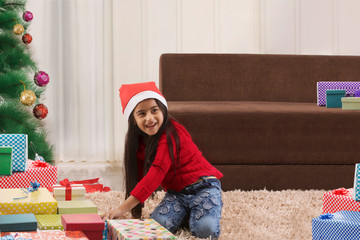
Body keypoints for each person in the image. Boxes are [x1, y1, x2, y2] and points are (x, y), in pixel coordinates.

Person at [101, 81, 223, 239]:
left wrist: (120, 209)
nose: (150, 118)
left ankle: (203, 208)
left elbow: (155, 175)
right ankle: (190, 212)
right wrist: (135, 214)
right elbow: (139, 177)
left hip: (203, 186)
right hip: (177, 194)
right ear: (133, 120)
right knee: (157, 225)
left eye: (154, 110)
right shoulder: (138, 141)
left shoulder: (171, 133)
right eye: (142, 114)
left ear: (163, 110)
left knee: (205, 230)